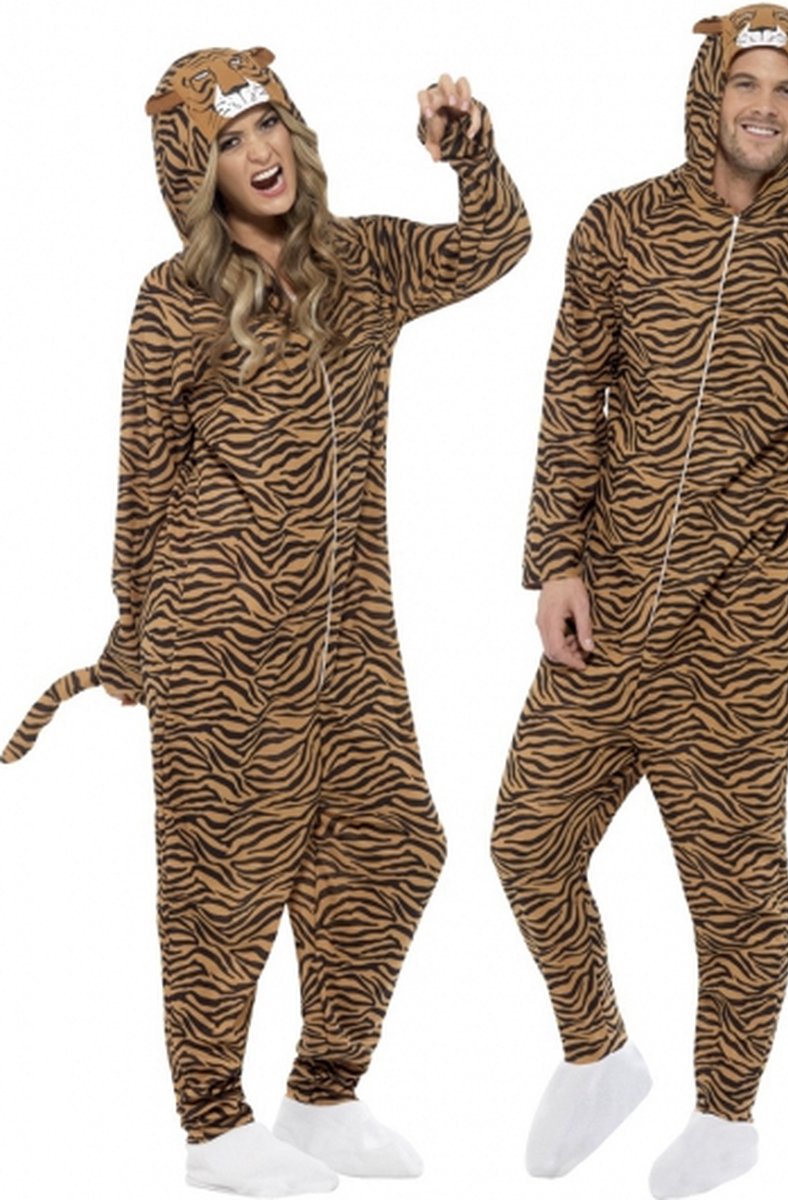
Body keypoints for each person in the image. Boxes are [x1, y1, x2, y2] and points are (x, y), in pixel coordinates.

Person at [2, 46, 529, 1197]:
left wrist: (468, 153)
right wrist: (135, 624)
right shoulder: (174, 298)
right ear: (196, 173)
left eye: (268, 126)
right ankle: (212, 1125)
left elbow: (494, 245)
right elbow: (145, 476)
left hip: (350, 626)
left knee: (393, 846)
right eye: (229, 143)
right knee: (224, 875)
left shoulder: (364, 260)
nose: (258, 154)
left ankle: (323, 1096)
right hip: (216, 629)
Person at [490, 7, 788, 1199]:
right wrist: (553, 563)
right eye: (741, 83)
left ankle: (725, 1116)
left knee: (734, 891)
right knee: (525, 840)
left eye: (784, 88)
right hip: (604, 611)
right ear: (706, 93)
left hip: (737, 632)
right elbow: (570, 398)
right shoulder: (617, 227)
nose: (761, 105)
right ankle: (599, 1053)